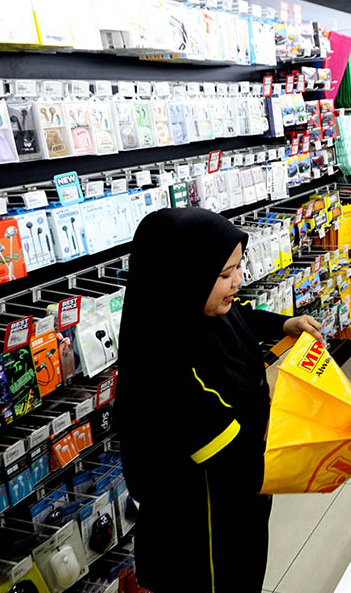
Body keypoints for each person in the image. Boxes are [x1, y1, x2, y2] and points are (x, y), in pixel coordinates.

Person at [116, 208, 325, 593]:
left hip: (240, 503)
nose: (237, 282)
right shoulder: (162, 362)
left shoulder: (203, 310)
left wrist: (283, 324)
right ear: (185, 276)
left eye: (239, 267)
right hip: (203, 528)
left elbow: (240, 317)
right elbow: (226, 446)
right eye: (224, 274)